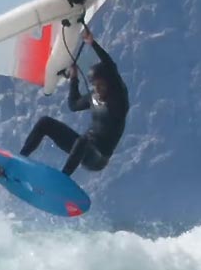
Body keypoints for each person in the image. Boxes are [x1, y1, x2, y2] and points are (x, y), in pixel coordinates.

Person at [19, 28, 129, 176]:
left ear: (109, 83)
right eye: (94, 86)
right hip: (82, 150)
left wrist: (92, 43)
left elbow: (111, 66)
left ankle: (62, 179)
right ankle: (19, 160)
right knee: (45, 123)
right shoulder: (94, 97)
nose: (97, 89)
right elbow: (73, 105)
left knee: (83, 141)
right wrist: (74, 78)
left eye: (101, 85)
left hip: (98, 158)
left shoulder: (119, 98)